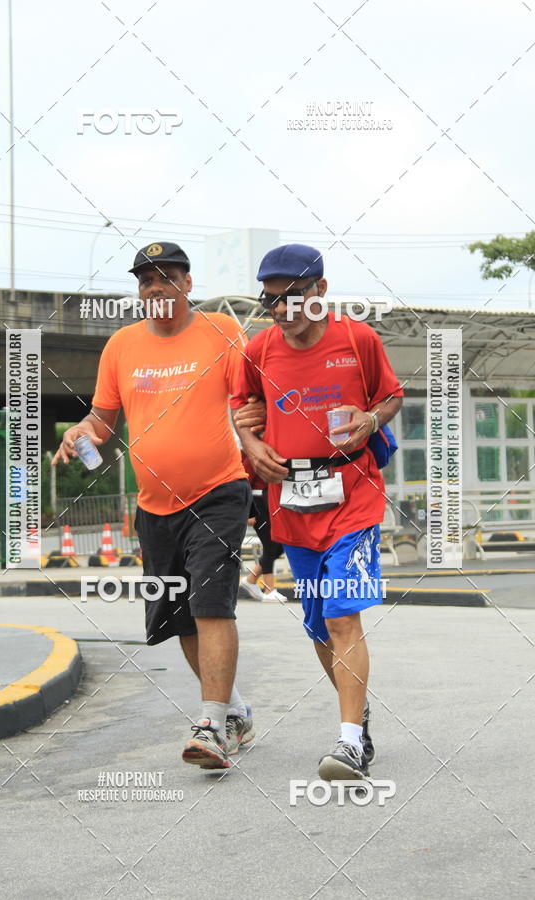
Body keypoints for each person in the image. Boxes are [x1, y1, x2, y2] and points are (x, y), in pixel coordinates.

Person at [53, 241, 254, 770]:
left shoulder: (223, 332)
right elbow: (102, 421)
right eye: (146, 280)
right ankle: (233, 711)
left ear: (188, 284)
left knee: (211, 604)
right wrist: (79, 431)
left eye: (166, 276)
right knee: (182, 617)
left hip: (218, 491)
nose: (155, 286)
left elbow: (248, 403)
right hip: (155, 507)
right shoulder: (121, 346)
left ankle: (211, 725)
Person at [232, 243, 403, 781]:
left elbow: (392, 396)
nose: (281, 310)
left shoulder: (358, 338)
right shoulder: (258, 351)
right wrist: (250, 441)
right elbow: (242, 407)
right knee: (317, 626)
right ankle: (360, 714)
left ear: (320, 292)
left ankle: (349, 741)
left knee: (340, 613)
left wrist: (373, 420)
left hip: (353, 494)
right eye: (271, 301)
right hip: (291, 502)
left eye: (292, 297)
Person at [240, 458, 286, 603]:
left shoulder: (270, 453)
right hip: (257, 501)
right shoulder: (253, 455)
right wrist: (249, 511)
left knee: (279, 545)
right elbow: (244, 483)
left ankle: (251, 579)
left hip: (270, 501)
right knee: (270, 545)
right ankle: (269, 589)